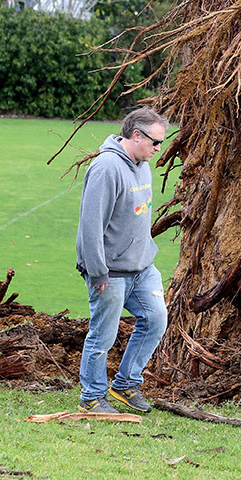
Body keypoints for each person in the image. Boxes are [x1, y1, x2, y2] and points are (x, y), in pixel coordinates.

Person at [75, 107, 169, 414]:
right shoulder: (106, 168)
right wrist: (98, 272)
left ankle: (126, 385)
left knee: (155, 319)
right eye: (155, 142)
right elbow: (90, 227)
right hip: (110, 272)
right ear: (136, 135)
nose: (159, 149)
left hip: (142, 268)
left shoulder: (142, 165)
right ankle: (92, 397)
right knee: (103, 334)